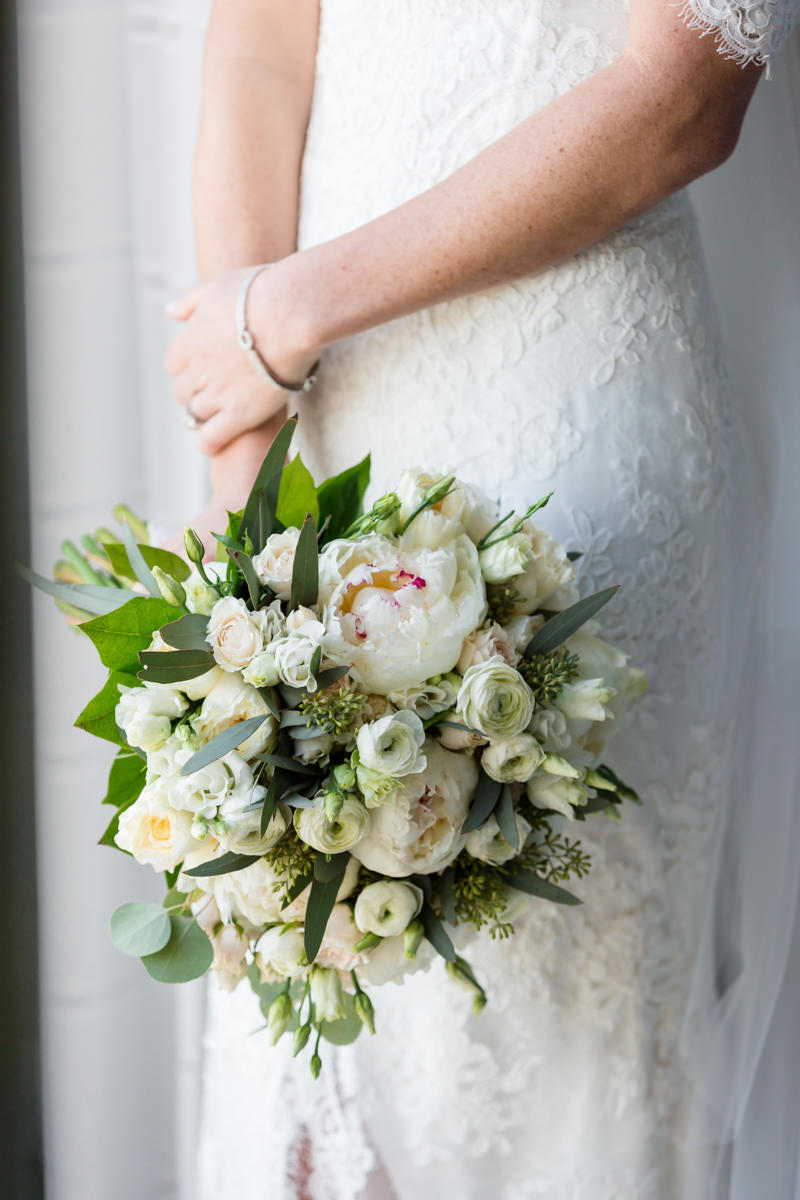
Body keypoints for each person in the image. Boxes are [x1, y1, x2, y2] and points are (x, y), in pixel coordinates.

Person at [162, 2, 800, 1197]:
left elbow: (687, 95)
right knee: (304, 1083)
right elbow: (256, 45)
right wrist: (243, 474)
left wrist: (294, 306)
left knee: (554, 1052)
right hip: (319, 411)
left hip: (573, 426)